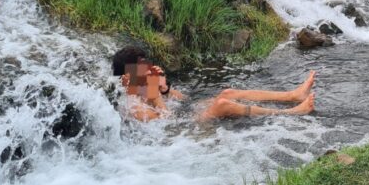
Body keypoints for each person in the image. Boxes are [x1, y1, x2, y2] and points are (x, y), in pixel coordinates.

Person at [112, 47, 316, 122]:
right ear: (127, 78)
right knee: (222, 105)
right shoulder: (132, 106)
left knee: (227, 92)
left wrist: (165, 89)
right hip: (180, 133)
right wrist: (157, 97)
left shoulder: (145, 86)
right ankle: (292, 113)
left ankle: (291, 96)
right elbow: (166, 123)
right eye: (141, 69)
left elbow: (185, 101)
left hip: (186, 117)